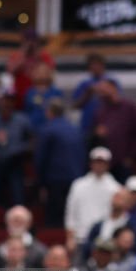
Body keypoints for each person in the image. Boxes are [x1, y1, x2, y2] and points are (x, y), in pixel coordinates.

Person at [35, 97, 85, 227]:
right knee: (71, 214)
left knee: (55, 218)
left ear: (49, 112)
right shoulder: (75, 129)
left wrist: (41, 183)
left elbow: (41, 158)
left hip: (55, 180)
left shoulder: (47, 129)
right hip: (76, 177)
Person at [65, 147, 123, 254]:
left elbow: (117, 216)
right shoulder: (78, 185)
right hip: (80, 237)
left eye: (102, 162)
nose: (99, 165)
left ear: (108, 165)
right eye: (97, 162)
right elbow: (71, 213)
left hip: (104, 240)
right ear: (91, 163)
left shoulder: (116, 188)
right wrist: (70, 238)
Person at [0, 88, 32, 206]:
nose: (7, 103)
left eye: (10, 100)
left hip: (15, 162)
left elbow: (32, 141)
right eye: (5, 100)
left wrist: (20, 148)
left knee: (18, 195)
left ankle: (18, 220)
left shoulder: (22, 119)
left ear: (14, 102)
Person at [92, 79, 136, 180]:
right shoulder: (100, 111)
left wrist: (131, 157)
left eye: (104, 90)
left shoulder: (130, 108)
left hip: (124, 163)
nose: (101, 93)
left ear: (113, 88)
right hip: (106, 163)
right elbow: (95, 135)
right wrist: (98, 133)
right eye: (100, 91)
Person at [72, 53, 120, 140]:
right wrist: (87, 94)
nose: (95, 67)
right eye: (92, 64)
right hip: (87, 126)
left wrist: (105, 92)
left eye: (98, 64)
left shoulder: (111, 82)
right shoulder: (84, 84)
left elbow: (118, 102)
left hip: (108, 124)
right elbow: (75, 106)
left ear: (103, 65)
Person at [23, 62, 63, 129]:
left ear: (49, 74)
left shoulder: (56, 92)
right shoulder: (30, 92)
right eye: (39, 72)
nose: (41, 75)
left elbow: (60, 112)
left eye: (44, 72)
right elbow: (26, 111)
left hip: (52, 127)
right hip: (33, 127)